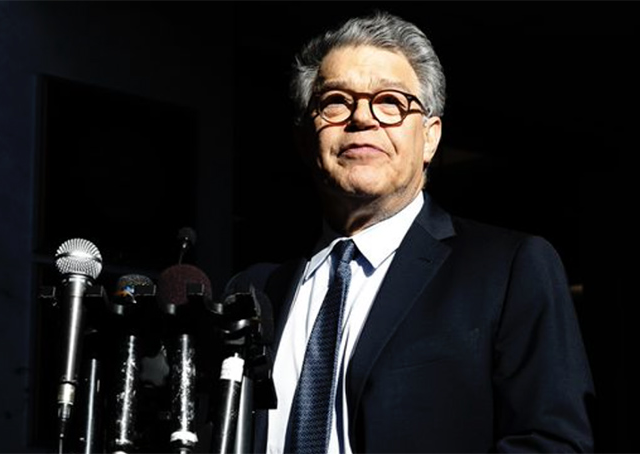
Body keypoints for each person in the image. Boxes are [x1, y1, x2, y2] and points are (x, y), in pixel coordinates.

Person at [229, 11, 594, 453]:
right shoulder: (255, 290)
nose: (361, 117)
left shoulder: (510, 269)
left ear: (430, 138)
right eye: (335, 102)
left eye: (390, 102)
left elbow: (551, 444)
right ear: (306, 138)